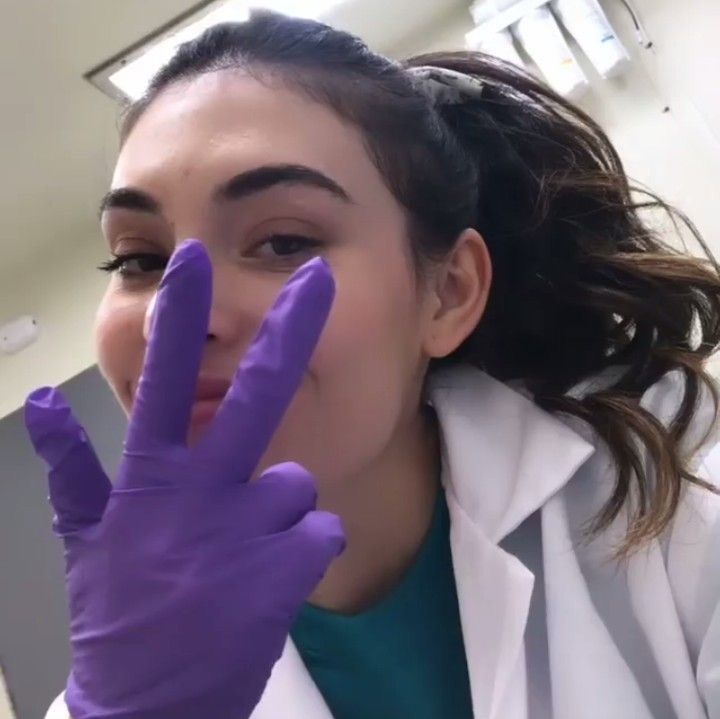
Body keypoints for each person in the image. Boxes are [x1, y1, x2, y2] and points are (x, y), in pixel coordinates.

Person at [25, 9, 720, 719]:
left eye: (282, 241)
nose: (175, 316)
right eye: (140, 258)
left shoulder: (672, 492)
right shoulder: (123, 697)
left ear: (448, 293)